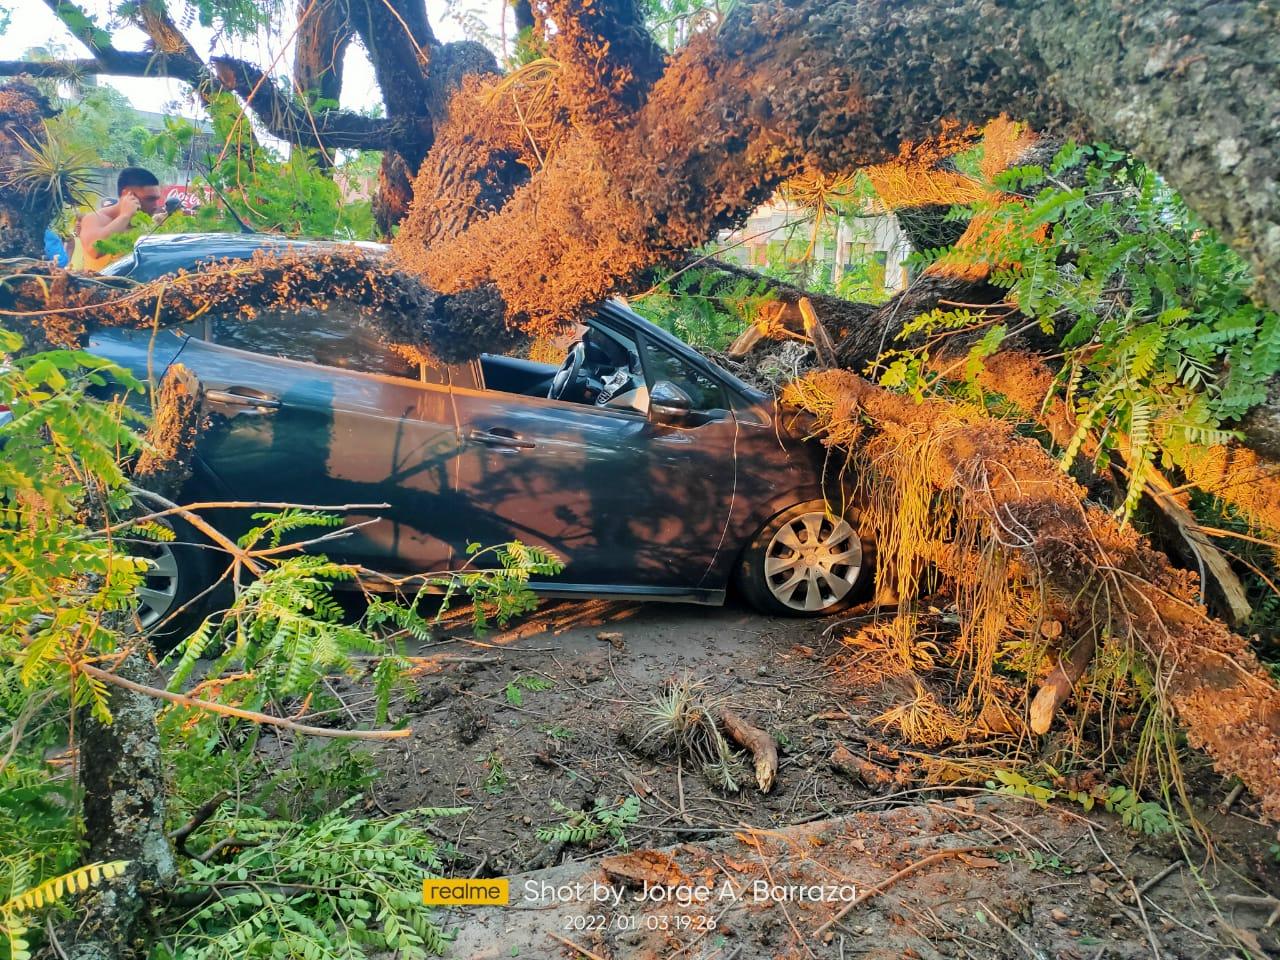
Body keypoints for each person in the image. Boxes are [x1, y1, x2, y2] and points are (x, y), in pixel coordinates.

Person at [78, 167, 163, 271]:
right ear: (127, 194)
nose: (155, 205)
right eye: (149, 199)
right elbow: (94, 250)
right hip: (100, 285)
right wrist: (125, 216)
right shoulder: (95, 218)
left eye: (156, 199)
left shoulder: (147, 224)